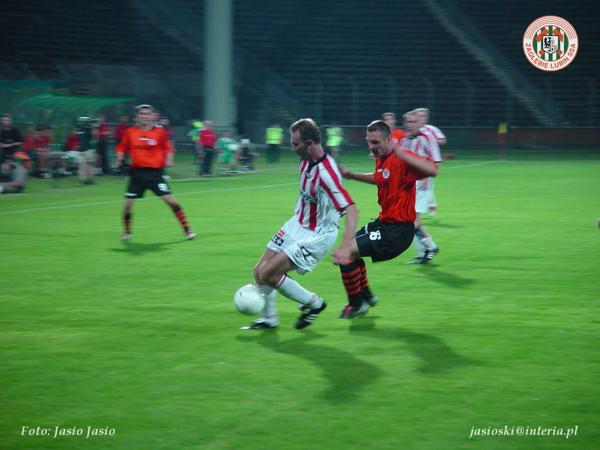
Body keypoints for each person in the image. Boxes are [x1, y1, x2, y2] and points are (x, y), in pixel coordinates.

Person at [246, 118, 358, 330]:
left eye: (295, 143)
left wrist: (345, 246)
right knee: (258, 271)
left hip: (317, 235)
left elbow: (352, 209)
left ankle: (315, 303)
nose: (292, 148)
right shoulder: (306, 159)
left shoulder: (326, 174)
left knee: (269, 273)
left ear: (309, 143)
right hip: (297, 224)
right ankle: (269, 319)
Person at [334, 119, 438, 318]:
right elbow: (380, 177)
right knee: (349, 248)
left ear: (389, 140)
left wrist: (401, 153)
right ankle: (366, 295)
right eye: (369, 141)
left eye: (375, 142)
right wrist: (352, 175)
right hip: (384, 224)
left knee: (345, 254)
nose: (371, 146)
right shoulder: (382, 157)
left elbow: (432, 170)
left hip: (397, 232)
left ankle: (357, 304)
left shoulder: (401, 158)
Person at [115, 104, 196, 241]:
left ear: (152, 116)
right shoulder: (130, 132)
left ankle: (187, 230)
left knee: (172, 202)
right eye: (142, 114)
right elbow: (121, 148)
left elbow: (168, 148)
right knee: (128, 206)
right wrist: (119, 158)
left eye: (147, 114)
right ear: (137, 116)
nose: (144, 116)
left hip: (155, 174)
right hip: (136, 175)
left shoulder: (160, 132)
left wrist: (170, 159)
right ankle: (127, 232)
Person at [400, 111, 441, 263]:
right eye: (409, 122)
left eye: (414, 122)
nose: (411, 125)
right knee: (409, 219)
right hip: (407, 184)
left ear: (419, 123)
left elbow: (435, 160)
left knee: (411, 219)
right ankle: (424, 252)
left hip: (421, 183)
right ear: (405, 123)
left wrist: (426, 177)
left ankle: (430, 247)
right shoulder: (404, 140)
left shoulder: (427, 138)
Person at [414, 108, 446, 215]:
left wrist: (432, 141)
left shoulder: (430, 130)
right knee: (422, 187)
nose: (421, 118)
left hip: (427, 164)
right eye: (419, 116)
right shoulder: (411, 131)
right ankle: (431, 204)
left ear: (427, 118)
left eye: (423, 116)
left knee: (423, 187)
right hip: (413, 165)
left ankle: (417, 215)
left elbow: (442, 140)